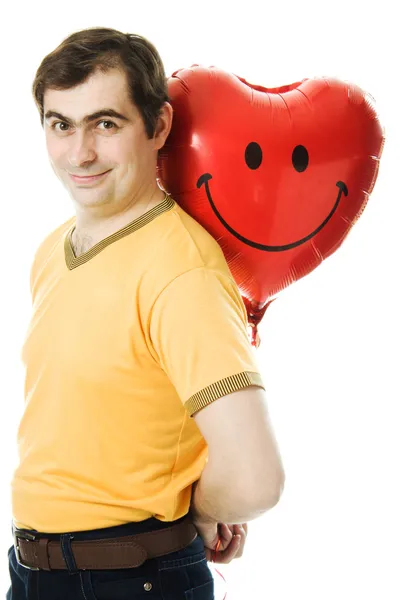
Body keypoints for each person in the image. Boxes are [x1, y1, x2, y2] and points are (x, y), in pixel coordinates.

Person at [6, 27, 285, 599]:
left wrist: (197, 510)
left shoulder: (180, 271)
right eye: (61, 124)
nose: (79, 152)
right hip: (36, 574)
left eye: (105, 124)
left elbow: (256, 477)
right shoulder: (53, 253)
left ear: (158, 126)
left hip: (132, 581)